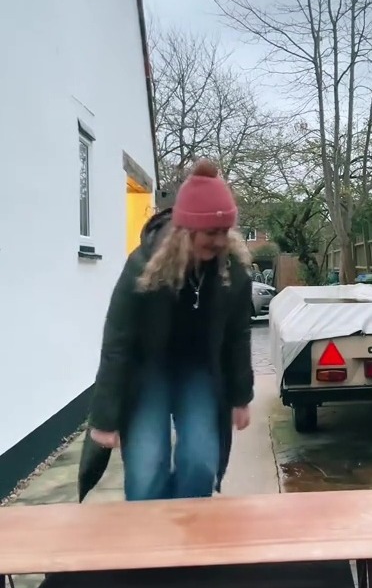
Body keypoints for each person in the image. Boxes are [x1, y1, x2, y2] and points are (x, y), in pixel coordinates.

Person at [86, 158, 254, 503]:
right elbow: (117, 343)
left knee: (200, 463)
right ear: (185, 232)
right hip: (148, 372)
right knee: (148, 468)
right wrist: (105, 418)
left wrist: (240, 396)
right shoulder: (143, 267)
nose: (220, 241)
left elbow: (238, 336)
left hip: (199, 372)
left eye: (225, 232)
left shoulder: (232, 272)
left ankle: (186, 541)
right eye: (211, 233)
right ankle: (151, 549)